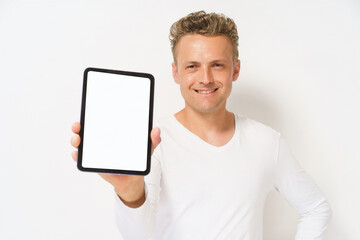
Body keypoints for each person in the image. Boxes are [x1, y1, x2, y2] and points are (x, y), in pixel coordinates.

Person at [71, 11, 331, 239]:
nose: (205, 79)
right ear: (176, 73)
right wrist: (128, 190)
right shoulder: (153, 140)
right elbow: (137, 234)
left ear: (235, 70)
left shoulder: (266, 142)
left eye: (217, 65)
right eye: (192, 66)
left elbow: (316, 208)